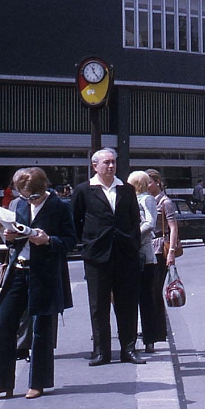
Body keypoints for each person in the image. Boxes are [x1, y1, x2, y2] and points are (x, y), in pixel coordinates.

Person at [0, 168, 75, 398]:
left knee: (41, 330)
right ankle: (0, 381)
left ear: (43, 189)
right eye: (23, 195)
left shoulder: (59, 206)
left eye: (32, 196)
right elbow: (13, 238)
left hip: (45, 273)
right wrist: (4, 233)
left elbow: (70, 241)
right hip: (18, 270)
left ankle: (38, 382)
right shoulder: (17, 205)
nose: (27, 200)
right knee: (4, 324)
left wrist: (48, 240)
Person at [70, 148, 144, 366]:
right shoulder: (84, 190)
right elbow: (75, 221)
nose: (111, 166)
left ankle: (128, 349)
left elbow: (134, 221)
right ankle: (101, 351)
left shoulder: (127, 190)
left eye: (113, 162)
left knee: (127, 304)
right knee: (99, 305)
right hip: (97, 255)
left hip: (125, 255)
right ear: (95, 166)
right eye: (106, 163)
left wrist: (133, 244)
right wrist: (87, 243)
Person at [144, 169, 178, 353]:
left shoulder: (165, 203)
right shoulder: (148, 201)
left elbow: (173, 228)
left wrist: (171, 251)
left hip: (160, 247)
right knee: (150, 290)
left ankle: (160, 330)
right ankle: (155, 329)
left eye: (149, 182)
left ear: (157, 182)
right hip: (148, 247)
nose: (147, 186)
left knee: (156, 289)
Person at [128, 172, 161, 354]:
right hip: (132, 253)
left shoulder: (146, 199)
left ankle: (149, 338)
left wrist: (133, 235)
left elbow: (150, 223)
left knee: (145, 298)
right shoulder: (131, 199)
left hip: (144, 255)